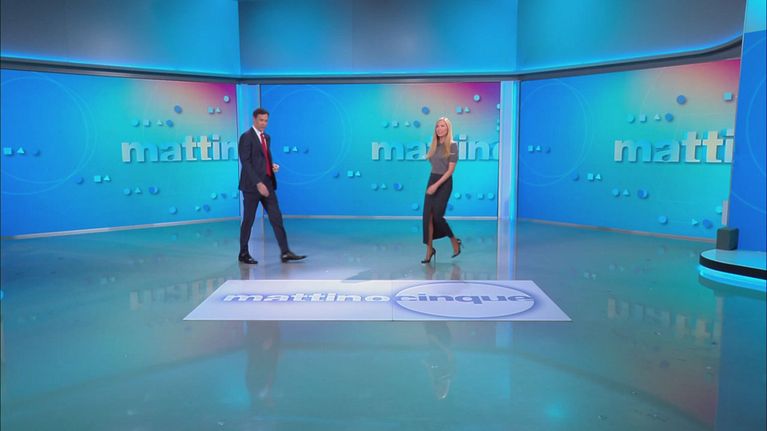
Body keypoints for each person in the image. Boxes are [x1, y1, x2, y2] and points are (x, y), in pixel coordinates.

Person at [238, 108, 306, 264]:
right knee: (248, 220)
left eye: (266, 120)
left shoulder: (266, 137)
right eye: (261, 120)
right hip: (252, 186)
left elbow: (262, 159)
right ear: (254, 119)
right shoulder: (246, 137)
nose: (264, 123)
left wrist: (271, 166)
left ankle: (285, 252)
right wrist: (258, 183)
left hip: (268, 184)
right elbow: (246, 162)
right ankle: (243, 253)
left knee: (276, 218)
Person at [422, 117, 461, 263]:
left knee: (438, 216)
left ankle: (454, 241)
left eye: (442, 126)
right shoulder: (434, 144)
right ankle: (429, 250)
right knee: (427, 217)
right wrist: (432, 184)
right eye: (437, 126)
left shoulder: (453, 145)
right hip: (432, 179)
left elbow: (450, 171)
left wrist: (436, 185)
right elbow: (434, 165)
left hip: (444, 183)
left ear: (448, 128)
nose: (439, 128)